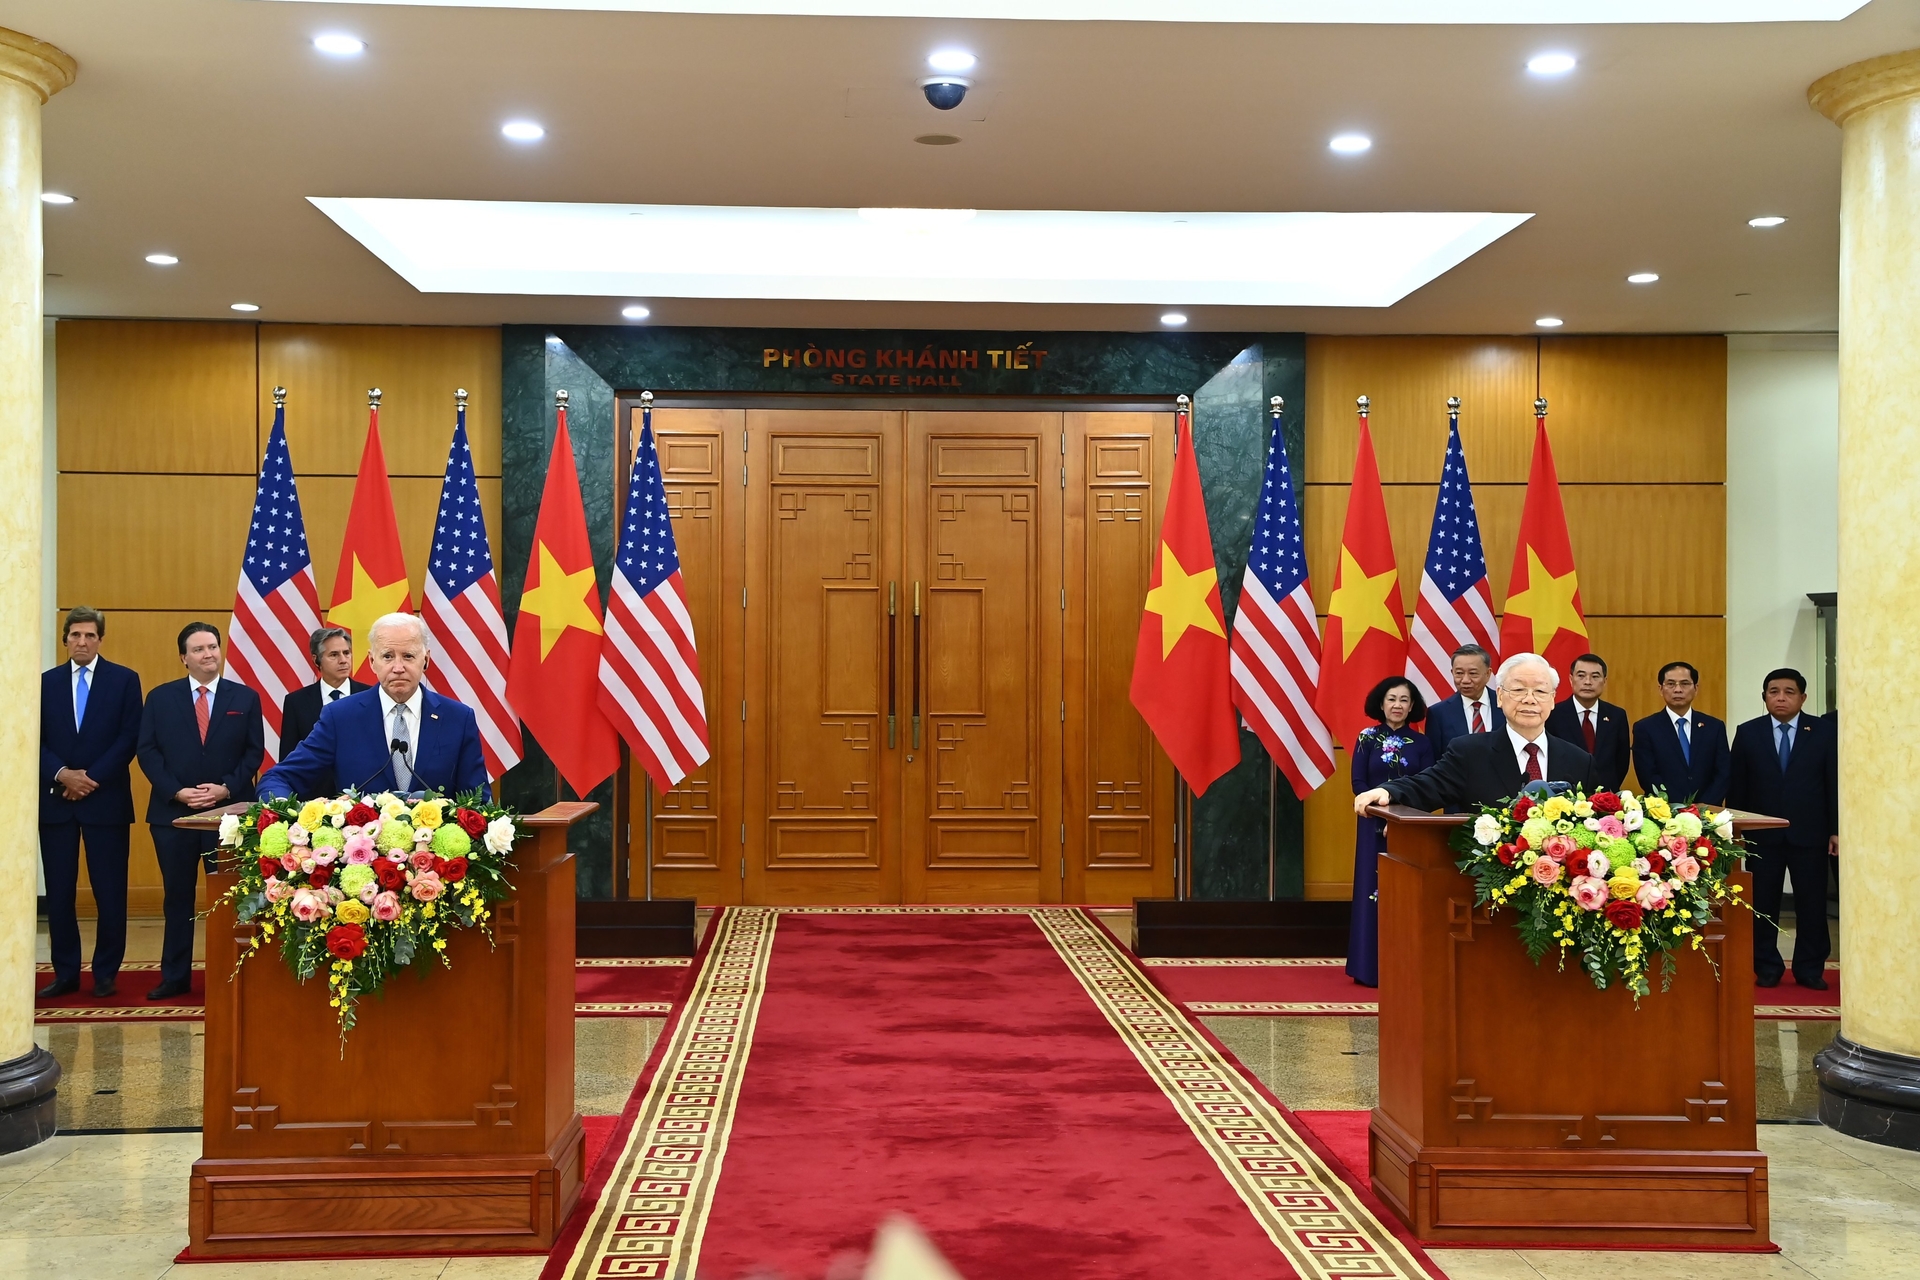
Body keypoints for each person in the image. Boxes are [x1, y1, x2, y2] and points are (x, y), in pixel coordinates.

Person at [136, 622, 264, 1001]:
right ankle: (175, 976)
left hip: (227, 816)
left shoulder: (245, 697)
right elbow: (148, 752)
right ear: (183, 658)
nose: (208, 654)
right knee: (177, 897)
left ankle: (231, 972)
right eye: (198, 649)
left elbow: (253, 752)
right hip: (173, 816)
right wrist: (178, 792)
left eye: (213, 646)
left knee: (229, 898)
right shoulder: (160, 698)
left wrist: (225, 787)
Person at [259, 612, 488, 801]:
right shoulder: (340, 718)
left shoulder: (458, 718)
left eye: (408, 656)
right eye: (388, 656)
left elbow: (478, 798)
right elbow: (278, 779)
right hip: (360, 852)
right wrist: (284, 809)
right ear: (371, 661)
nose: (398, 667)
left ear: (425, 660)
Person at [37, 606, 144, 1000]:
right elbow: (34, 736)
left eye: (90, 636)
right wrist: (63, 774)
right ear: (65, 639)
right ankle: (65, 972)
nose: (82, 642)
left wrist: (90, 778)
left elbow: (129, 737)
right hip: (56, 802)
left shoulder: (124, 680)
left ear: (100, 639)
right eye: (75, 635)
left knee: (109, 891)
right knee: (61, 894)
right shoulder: (45, 683)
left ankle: (105, 973)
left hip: (106, 801)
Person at [1353, 652, 1597, 814]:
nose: (1529, 700)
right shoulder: (1469, 752)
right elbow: (1430, 784)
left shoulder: (1578, 760)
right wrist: (1387, 790)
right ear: (1500, 696)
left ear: (1553, 700)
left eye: (1541, 692)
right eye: (1519, 689)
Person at [1727, 668, 1838, 990]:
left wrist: (1835, 830)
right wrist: (1738, 831)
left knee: (1812, 903)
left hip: (1811, 833)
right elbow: (1739, 788)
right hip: (1763, 835)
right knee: (1762, 903)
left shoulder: (1823, 732)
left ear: (1803, 698)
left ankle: (1809, 968)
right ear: (1764, 698)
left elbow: (1833, 783)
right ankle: (1767, 966)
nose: (1781, 697)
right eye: (1773, 691)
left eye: (1789, 692)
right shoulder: (1748, 733)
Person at [1347, 677, 1433, 988]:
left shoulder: (1422, 743)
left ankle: (1403, 966)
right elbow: (1358, 782)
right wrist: (1379, 812)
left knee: (1405, 893)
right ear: (1381, 704)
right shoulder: (1366, 738)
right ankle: (1367, 968)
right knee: (1372, 889)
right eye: (1392, 699)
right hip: (1372, 824)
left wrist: (1397, 815)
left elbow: (1426, 784)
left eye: (1404, 700)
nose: (1397, 705)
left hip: (1408, 824)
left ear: (1413, 706)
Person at [1630, 661, 1731, 804]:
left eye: (1685, 684)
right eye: (1671, 684)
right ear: (1660, 689)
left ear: (1696, 689)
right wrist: (1677, 807)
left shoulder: (1714, 727)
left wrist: (1705, 806)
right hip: (1665, 811)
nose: (1678, 690)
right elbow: (1648, 775)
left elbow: (1723, 772)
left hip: (1709, 812)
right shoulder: (1645, 728)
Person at [278, 626, 370, 777]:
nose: (343, 660)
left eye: (346, 653)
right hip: (313, 793)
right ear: (317, 660)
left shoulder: (369, 695)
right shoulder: (296, 702)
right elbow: (289, 758)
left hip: (361, 790)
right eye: (334, 655)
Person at [1545, 652, 1631, 792]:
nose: (1588, 682)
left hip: (1606, 797)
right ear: (1571, 679)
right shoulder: (1553, 714)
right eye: (1581, 675)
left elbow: (1622, 761)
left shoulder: (1617, 715)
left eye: (1595, 676)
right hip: (1565, 796)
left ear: (1605, 681)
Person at [1424, 644, 1504, 760]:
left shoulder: (1507, 704)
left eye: (1473, 673)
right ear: (1452, 672)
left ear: (1488, 674)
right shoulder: (1438, 713)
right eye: (1459, 673)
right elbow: (1435, 760)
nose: (1465, 680)